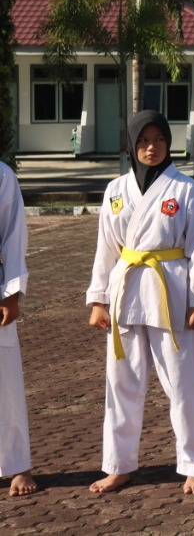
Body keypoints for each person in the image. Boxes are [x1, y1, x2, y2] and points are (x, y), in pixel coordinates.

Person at [86, 110, 194, 494]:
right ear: (131, 144)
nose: (151, 147)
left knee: (183, 382)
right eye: (143, 141)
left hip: (171, 290)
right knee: (121, 383)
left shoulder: (186, 189)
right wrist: (97, 300)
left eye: (159, 140)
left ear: (169, 143)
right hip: (125, 289)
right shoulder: (115, 190)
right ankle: (118, 464)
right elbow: (106, 249)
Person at [0, 161, 36, 497]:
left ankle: (17, 465)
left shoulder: (1, 175)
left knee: (5, 381)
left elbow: (13, 235)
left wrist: (10, 294)